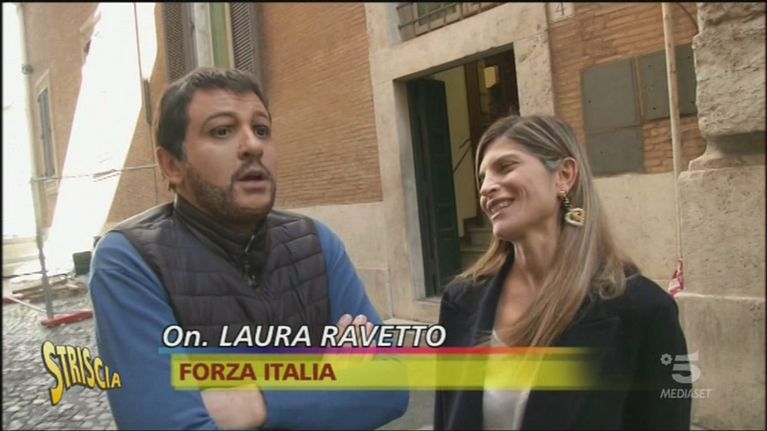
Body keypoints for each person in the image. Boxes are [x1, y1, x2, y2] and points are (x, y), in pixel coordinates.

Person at [89, 67, 408, 429]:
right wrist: (329, 385)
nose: (253, 146)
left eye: (261, 130)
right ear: (172, 165)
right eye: (222, 131)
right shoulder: (131, 261)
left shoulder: (316, 242)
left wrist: (255, 402)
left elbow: (392, 385)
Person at [433, 115, 691, 429]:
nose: (486, 188)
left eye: (505, 167)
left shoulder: (643, 310)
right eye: (483, 177)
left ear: (564, 175)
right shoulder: (460, 300)